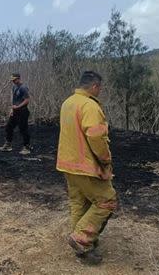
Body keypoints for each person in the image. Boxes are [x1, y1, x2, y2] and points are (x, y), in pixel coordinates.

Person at [56, 70, 117, 265]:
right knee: (106, 200)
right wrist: (105, 160)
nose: (100, 91)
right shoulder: (89, 105)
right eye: (100, 88)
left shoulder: (68, 103)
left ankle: (83, 248)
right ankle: (81, 238)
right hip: (86, 166)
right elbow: (96, 136)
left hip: (68, 164)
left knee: (79, 203)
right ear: (94, 87)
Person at [0, 73, 31, 155]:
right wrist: (12, 110)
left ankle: (27, 147)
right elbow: (14, 100)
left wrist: (18, 106)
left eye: (14, 79)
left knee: (23, 129)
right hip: (15, 111)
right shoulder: (14, 87)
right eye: (12, 80)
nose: (13, 81)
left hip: (23, 111)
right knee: (9, 127)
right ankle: (8, 145)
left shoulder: (23, 88)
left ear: (19, 78)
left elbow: (27, 100)